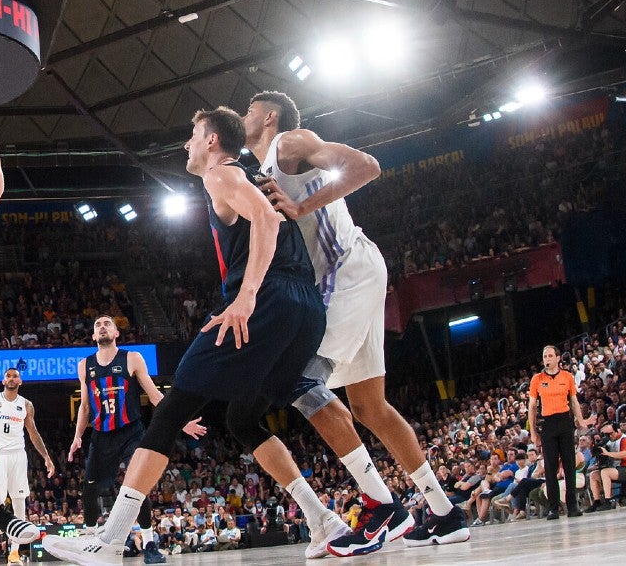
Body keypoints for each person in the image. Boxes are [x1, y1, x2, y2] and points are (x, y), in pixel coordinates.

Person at [43, 107, 343, 566]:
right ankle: (323, 519)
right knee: (244, 420)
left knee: (171, 410)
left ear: (211, 142)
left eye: (192, 134)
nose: (186, 143)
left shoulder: (220, 174)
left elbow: (266, 219)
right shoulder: (248, 174)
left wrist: (245, 298)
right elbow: (274, 218)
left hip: (266, 298)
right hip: (305, 308)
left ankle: (110, 541)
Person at [244, 90, 469, 554]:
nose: (243, 117)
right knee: (370, 409)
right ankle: (446, 513)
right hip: (345, 275)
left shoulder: (289, 142)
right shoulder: (261, 171)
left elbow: (366, 165)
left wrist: (303, 207)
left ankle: (380, 504)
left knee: (302, 382)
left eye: (248, 111)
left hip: (345, 270)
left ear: (268, 116)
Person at [67, 316, 202, 564]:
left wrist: (182, 422)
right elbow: (85, 407)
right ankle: (88, 538)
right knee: (90, 487)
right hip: (102, 435)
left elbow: (155, 396)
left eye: (107, 323)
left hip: (131, 431)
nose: (102, 327)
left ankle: (150, 544)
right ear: (94, 336)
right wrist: (77, 437)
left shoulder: (132, 358)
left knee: (136, 486)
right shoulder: (84, 365)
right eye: (98, 325)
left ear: (117, 332)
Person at [0, 367, 55, 564]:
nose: (12, 378)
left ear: (20, 381)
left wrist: (46, 457)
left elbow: (33, 433)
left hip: (17, 456)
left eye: (15, 376)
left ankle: (14, 551)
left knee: (19, 501)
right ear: (3, 380)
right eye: (8, 376)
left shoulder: (26, 405)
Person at [528, 344, 588, 519]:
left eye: (550, 356)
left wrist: (581, 420)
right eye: (545, 356)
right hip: (548, 424)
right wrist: (533, 431)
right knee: (551, 467)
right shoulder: (537, 379)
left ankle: (572, 505)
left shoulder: (567, 376)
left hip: (564, 421)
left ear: (557, 358)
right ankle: (553, 507)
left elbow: (574, 401)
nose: (547, 359)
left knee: (569, 465)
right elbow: (532, 407)